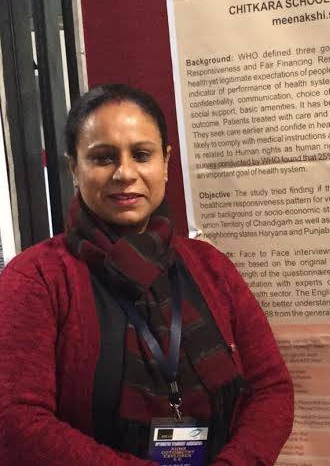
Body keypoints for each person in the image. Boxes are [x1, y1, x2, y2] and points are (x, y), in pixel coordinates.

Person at [0, 84, 294, 465]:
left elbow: (270, 387)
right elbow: (16, 421)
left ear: (165, 162)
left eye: (141, 154)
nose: (125, 173)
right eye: (103, 158)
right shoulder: (37, 278)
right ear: (74, 168)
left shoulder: (210, 266)